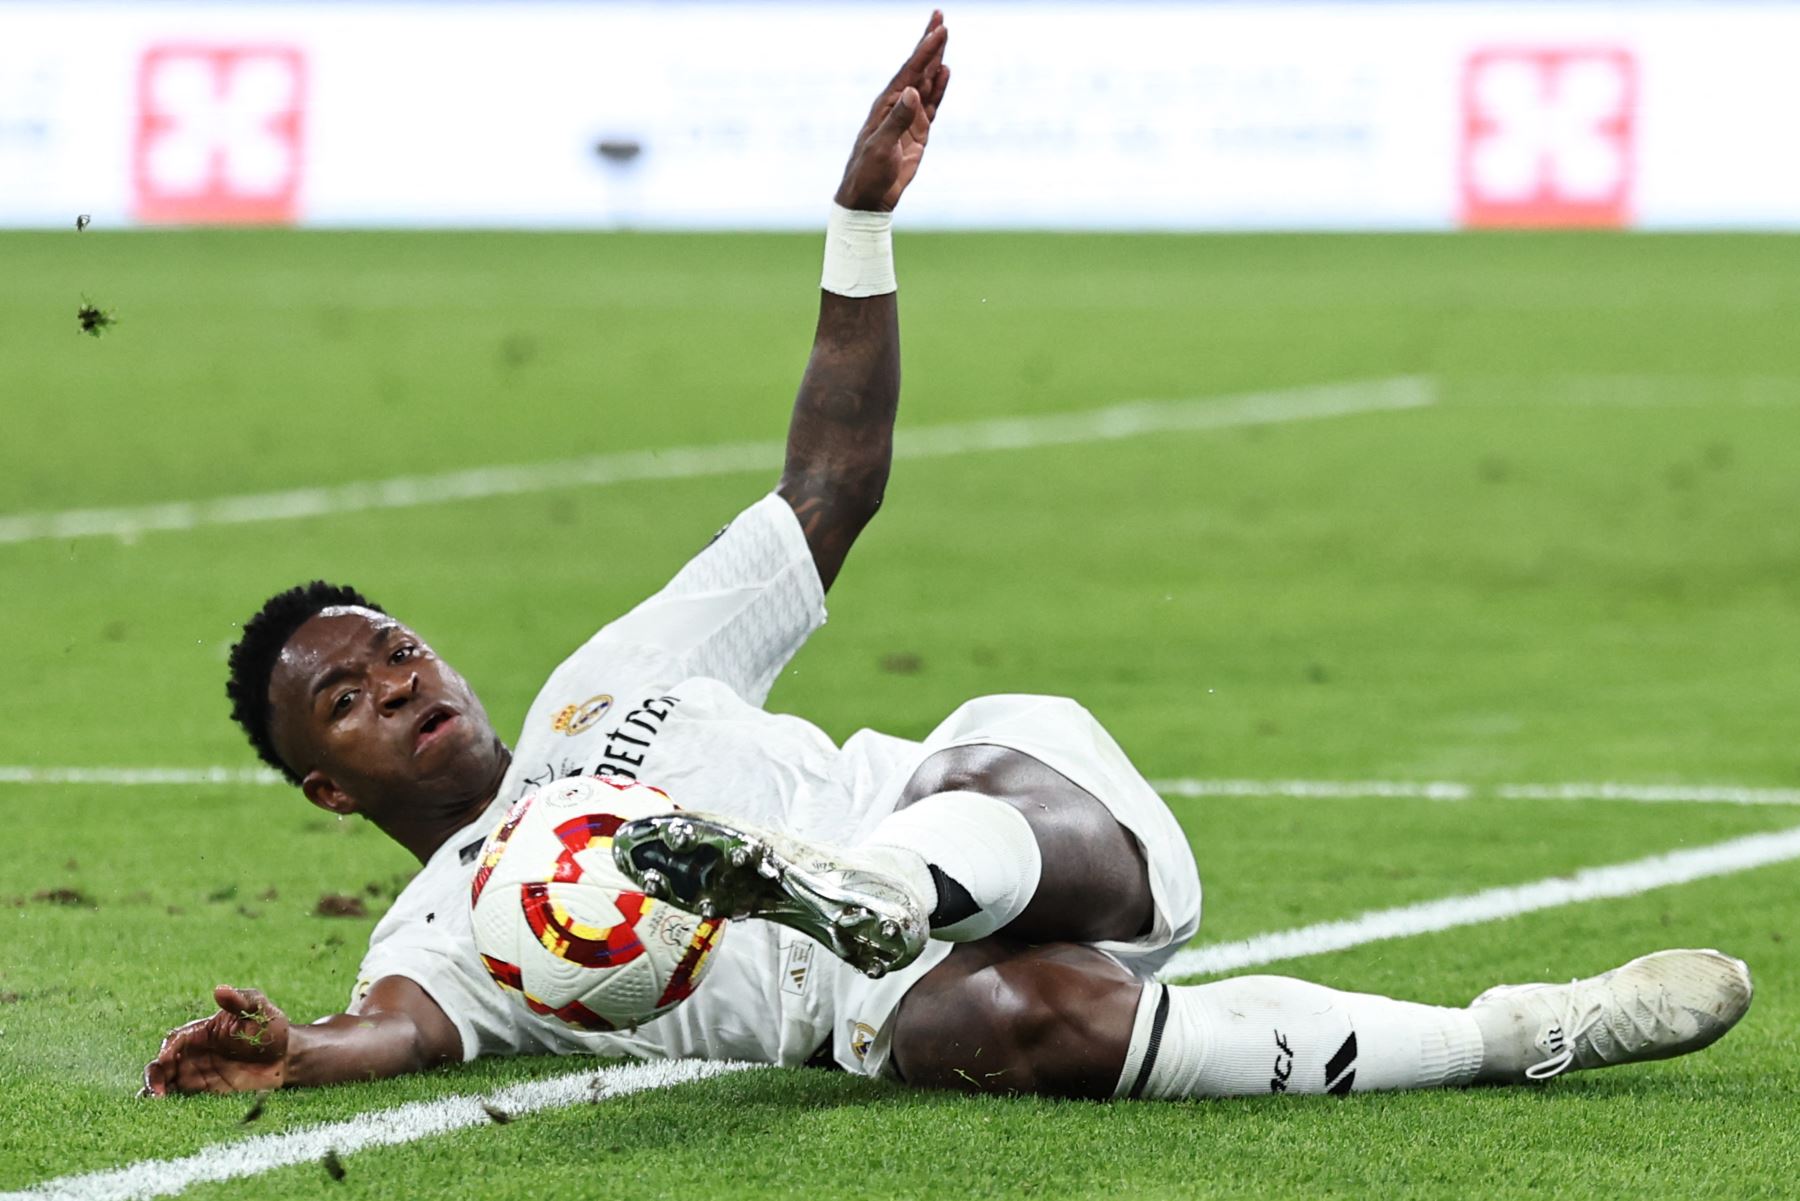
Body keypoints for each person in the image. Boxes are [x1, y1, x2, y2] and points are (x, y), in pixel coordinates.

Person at [141, 12, 1751, 1104]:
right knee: (1021, 1019)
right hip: (896, 1003)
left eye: (394, 646)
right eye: (345, 700)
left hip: (1036, 827)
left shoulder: (606, 688)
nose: (398, 682)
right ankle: (1527, 1032)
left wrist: (860, 221)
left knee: (981, 759)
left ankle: (870, 879)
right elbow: (396, 1029)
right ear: (329, 791)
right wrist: (298, 1050)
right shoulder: (447, 919)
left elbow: (829, 487)